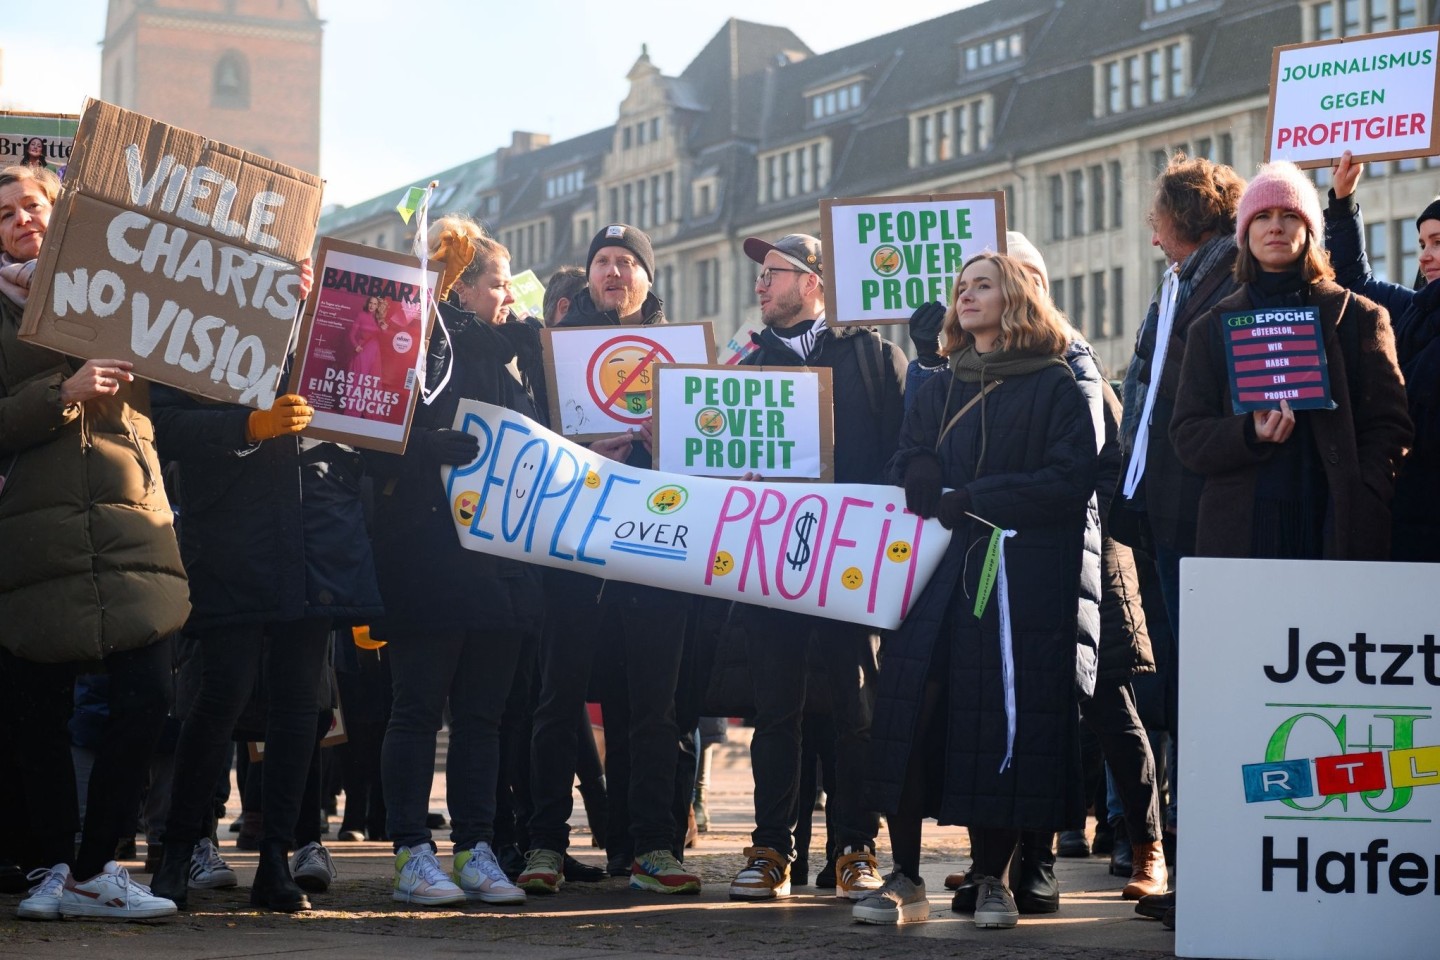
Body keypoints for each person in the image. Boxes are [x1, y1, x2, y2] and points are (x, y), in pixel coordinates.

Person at [912, 233, 1166, 910]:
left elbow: (1088, 471)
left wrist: (1000, 505)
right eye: (965, 283)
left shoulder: (1070, 368)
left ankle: (1130, 847)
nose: (969, 293)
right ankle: (1001, 865)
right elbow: (927, 447)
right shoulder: (959, 373)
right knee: (993, 715)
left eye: (996, 280)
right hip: (989, 564)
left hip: (1078, 565)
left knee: (1087, 711)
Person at [863, 252, 1097, 929]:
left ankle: (993, 879)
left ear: (1016, 295)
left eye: (981, 285)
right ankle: (905, 877)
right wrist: (917, 466)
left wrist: (977, 497)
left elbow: (1069, 478)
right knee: (911, 715)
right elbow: (903, 454)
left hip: (1014, 583)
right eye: (960, 286)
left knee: (994, 724)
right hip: (933, 581)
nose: (965, 296)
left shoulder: (1055, 384)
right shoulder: (936, 383)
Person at [147, 252, 380, 912]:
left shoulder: (334, 330)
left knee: (298, 705)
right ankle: (177, 848)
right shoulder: (197, 327)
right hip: (235, 541)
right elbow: (165, 422)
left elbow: (380, 403)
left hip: (313, 539)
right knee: (219, 697)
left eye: (302, 263)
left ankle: (276, 857)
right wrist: (248, 425)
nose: (296, 274)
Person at [0, 165, 187, 921]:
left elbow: (211, 361)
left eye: (33, 205)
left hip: (127, 530)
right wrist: (61, 393)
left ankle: (94, 866)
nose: (21, 221)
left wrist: (284, 303)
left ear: (62, 209)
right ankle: (51, 867)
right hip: (31, 543)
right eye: (5, 213)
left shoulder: (127, 290)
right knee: (36, 715)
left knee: (147, 699)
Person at [522, 224, 702, 896]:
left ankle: (647, 844)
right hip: (572, 552)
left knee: (651, 708)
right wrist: (580, 448)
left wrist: (663, 445)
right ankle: (545, 843)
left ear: (648, 280)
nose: (614, 272)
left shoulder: (682, 361)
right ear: (589, 276)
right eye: (603, 262)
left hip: (655, 551)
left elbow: (707, 461)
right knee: (557, 700)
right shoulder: (551, 356)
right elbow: (532, 443)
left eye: (628, 262)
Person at [367, 215, 540, 907]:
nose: (507, 296)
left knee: (483, 716)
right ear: (460, 288)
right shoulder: (420, 344)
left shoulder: (508, 359)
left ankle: (476, 846)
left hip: (500, 565)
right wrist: (422, 449)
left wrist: (535, 360)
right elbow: (371, 426)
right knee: (416, 709)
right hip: (430, 554)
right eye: (496, 283)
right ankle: (411, 849)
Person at [725, 234, 904, 903]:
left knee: (854, 710)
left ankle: (856, 848)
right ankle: (772, 848)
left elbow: (901, 448)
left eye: (772, 274)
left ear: (813, 282)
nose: (760, 286)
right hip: (771, 561)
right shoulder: (742, 365)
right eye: (759, 277)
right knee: (775, 710)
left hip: (849, 562)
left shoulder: (871, 356)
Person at [1111, 155, 1247, 918]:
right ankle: (1190, 868)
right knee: (1179, 693)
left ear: (1182, 216)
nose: (1150, 229)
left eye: (1157, 214)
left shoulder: (1228, 285)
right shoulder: (1177, 287)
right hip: (1159, 507)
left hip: (1198, 509)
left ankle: (1205, 871)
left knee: (1202, 692)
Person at [1171, 161, 1411, 562]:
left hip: (1335, 528)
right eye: (1262, 216)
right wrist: (1249, 432)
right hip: (1242, 534)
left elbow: (1391, 427)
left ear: (1310, 231)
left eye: (1289, 215)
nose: (1275, 227)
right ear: (1245, 233)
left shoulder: (1361, 318)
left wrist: (1365, 491)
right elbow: (1187, 435)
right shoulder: (1210, 329)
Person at [1323, 150, 1440, 562]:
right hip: (1404, 523)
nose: (1424, 255)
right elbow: (1353, 281)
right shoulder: (1414, 311)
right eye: (1422, 243)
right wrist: (1342, 203)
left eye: (1438, 243)